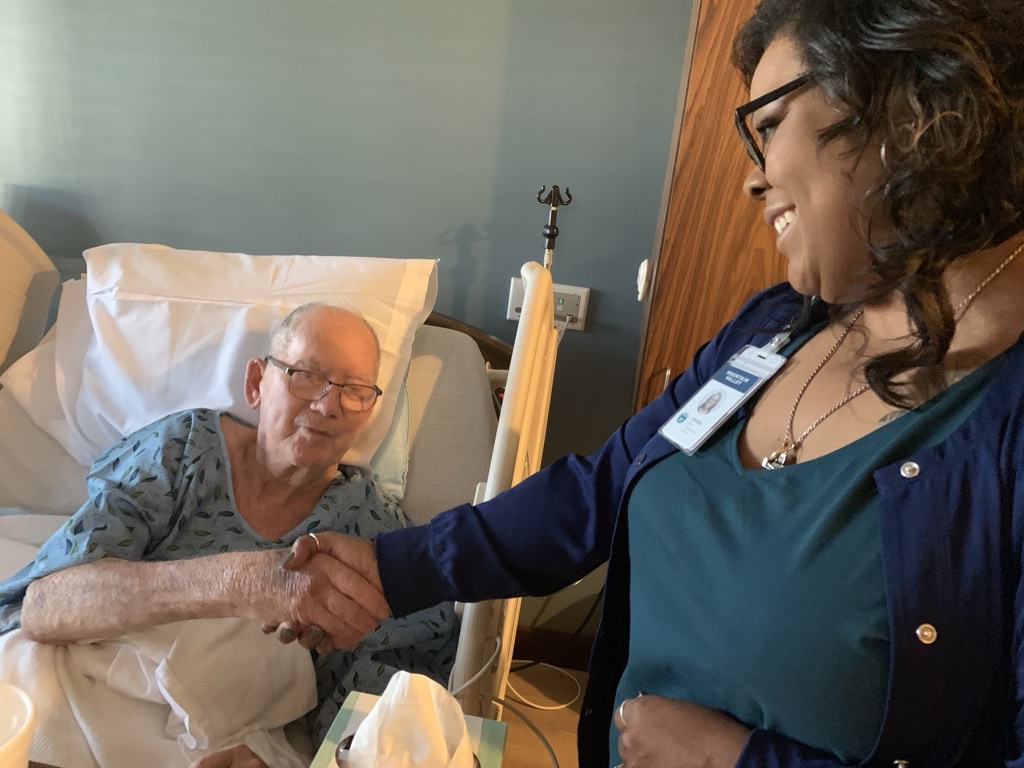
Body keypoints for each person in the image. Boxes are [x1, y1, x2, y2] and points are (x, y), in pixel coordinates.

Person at [218, 0, 1024, 765]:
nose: (754, 178)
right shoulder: (774, 329)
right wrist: (395, 569)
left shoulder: (1003, 425)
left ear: (914, 102)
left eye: (770, 125)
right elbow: (596, 495)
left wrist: (737, 761)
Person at [0, 303, 458, 749]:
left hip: (210, 734)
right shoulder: (180, 454)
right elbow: (44, 605)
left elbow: (401, 696)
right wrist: (246, 583)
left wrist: (265, 750)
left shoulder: (368, 527)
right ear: (257, 382)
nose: (328, 405)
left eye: (355, 389)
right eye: (307, 376)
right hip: (88, 690)